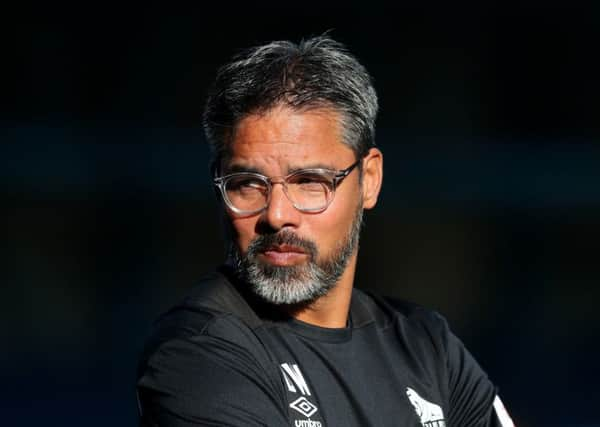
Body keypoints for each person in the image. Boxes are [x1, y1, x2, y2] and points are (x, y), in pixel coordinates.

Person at [136, 36, 515, 427]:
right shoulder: (198, 356)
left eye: (309, 181)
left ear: (369, 180)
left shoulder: (427, 348)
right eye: (247, 183)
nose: (277, 214)